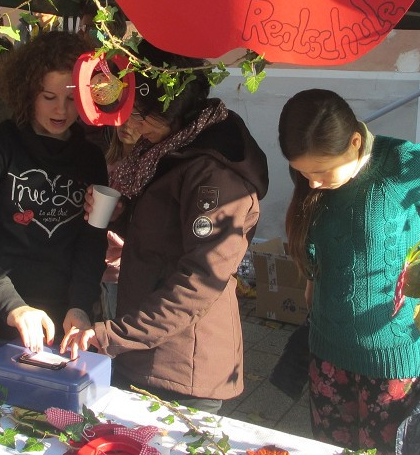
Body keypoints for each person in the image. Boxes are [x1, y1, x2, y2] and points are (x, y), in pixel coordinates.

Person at [277, 89, 420, 455]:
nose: (312, 182)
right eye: (303, 172)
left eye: (320, 171)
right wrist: (312, 278)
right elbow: (326, 233)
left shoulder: (405, 164)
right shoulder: (317, 175)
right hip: (328, 353)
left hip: (394, 360)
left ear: (354, 142)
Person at [62, 45, 269, 413]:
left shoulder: (215, 176)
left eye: (140, 116)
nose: (129, 126)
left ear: (172, 112)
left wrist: (113, 335)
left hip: (182, 366)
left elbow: (200, 279)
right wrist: (122, 215)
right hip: (146, 351)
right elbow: (168, 233)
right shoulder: (170, 149)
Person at [0, 30, 107, 354]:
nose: (61, 110)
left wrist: (81, 304)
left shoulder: (92, 158)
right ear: (28, 92)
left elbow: (93, 239)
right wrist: (13, 306)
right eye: (49, 97)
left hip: (65, 330)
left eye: (72, 98)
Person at [99, 118, 141, 321]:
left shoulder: (145, 168)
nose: (126, 126)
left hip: (123, 265)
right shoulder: (107, 163)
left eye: (136, 120)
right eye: (123, 119)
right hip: (101, 261)